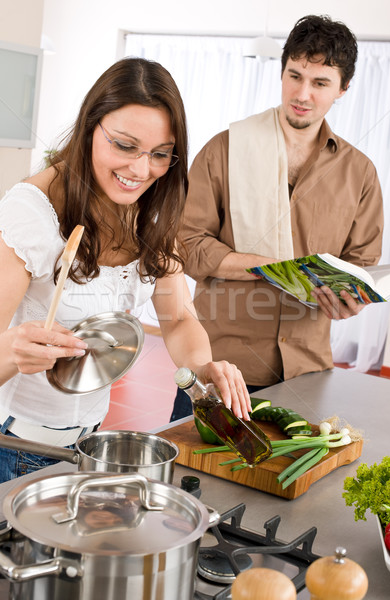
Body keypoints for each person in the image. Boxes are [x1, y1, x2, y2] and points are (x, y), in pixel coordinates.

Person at [0, 57, 251, 482]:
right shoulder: (32, 212)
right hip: (14, 446)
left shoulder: (152, 214)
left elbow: (177, 318)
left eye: (159, 154)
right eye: (123, 145)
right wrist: (12, 350)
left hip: (88, 442)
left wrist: (204, 368)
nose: (140, 170)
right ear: (90, 127)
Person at [170, 15, 384, 421]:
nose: (302, 94)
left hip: (306, 371)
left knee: (291, 483)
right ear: (282, 70)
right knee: (191, 480)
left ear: (344, 88)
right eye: (294, 75)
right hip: (221, 368)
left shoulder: (361, 173)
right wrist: (277, 269)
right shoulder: (225, 150)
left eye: (320, 83)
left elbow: (361, 266)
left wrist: (351, 302)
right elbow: (187, 246)